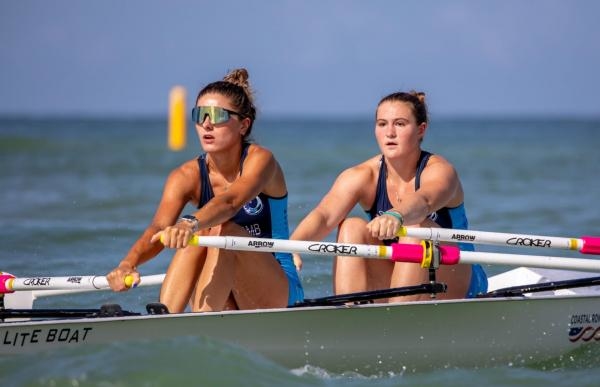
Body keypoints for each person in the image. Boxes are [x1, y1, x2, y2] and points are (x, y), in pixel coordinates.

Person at [107, 68, 304, 312]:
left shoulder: (262, 161)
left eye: (218, 115)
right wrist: (128, 263)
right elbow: (158, 229)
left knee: (220, 228)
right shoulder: (185, 176)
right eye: (200, 115)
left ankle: (200, 320)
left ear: (244, 125)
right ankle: (164, 320)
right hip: (227, 290)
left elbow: (231, 202)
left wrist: (188, 223)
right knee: (200, 234)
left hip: (279, 290)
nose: (207, 124)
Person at [290, 91, 487, 301]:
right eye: (382, 124)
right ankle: (350, 316)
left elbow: (424, 201)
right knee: (350, 227)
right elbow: (325, 215)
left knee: (415, 230)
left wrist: (396, 216)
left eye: (400, 124)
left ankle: (396, 321)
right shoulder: (363, 175)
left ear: (421, 129)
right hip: (400, 276)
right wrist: (293, 246)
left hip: (457, 277)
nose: (389, 133)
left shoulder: (440, 171)